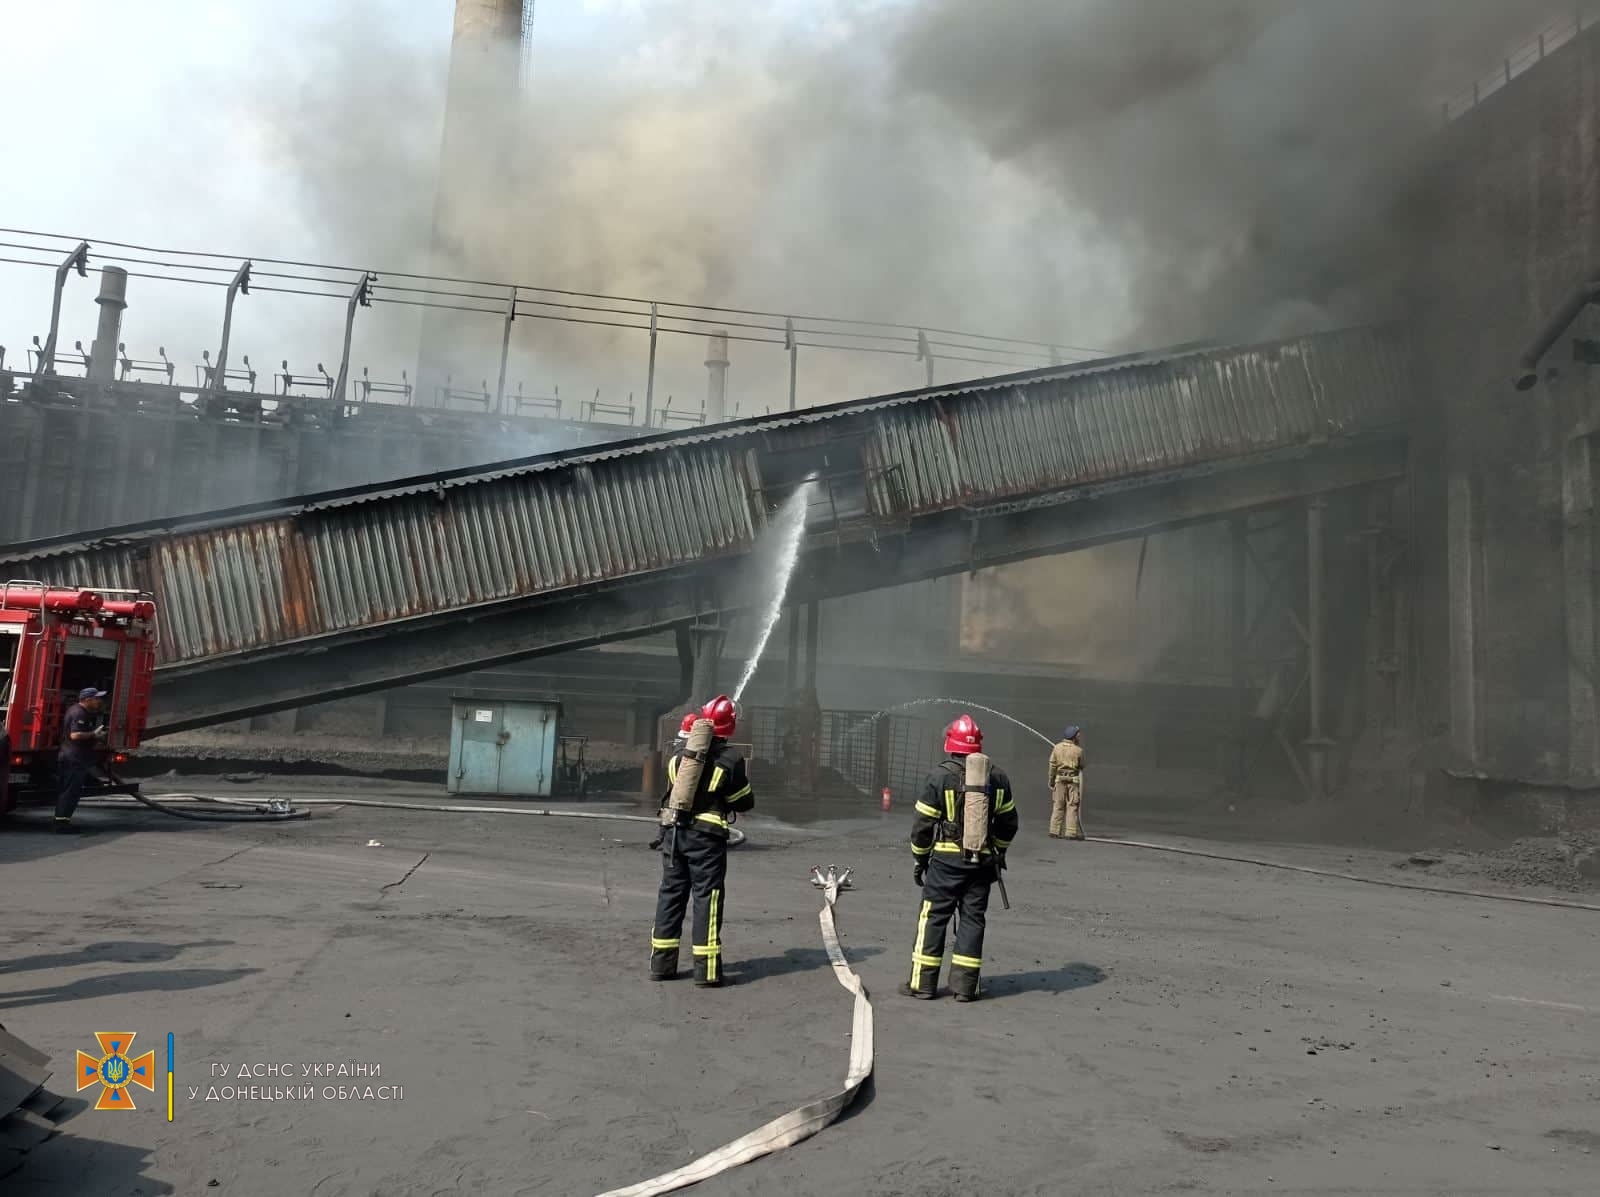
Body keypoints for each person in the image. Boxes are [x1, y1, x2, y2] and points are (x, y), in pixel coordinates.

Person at [900, 713, 1018, 1002]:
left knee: (934, 917)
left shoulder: (939, 777)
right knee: (972, 919)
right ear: (978, 745)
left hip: (944, 863)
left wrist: (920, 859)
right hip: (982, 863)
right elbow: (1008, 824)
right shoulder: (998, 776)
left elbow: (923, 826)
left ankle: (923, 984)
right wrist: (998, 853)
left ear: (949, 744)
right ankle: (965, 988)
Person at [649, 695, 754, 987]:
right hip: (705, 840)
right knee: (707, 898)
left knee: (671, 895)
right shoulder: (731, 760)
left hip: (672, 834)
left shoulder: (679, 755)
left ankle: (661, 965)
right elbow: (743, 801)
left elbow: (674, 790)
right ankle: (706, 971)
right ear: (729, 726)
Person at [56, 686, 107, 834]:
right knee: (69, 792)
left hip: (75, 757)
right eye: (97, 698)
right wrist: (94, 735)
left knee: (71, 791)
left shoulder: (80, 711)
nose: (99, 701)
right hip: (73, 758)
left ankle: (63, 822)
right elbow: (75, 735)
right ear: (88, 699)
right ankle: (61, 824)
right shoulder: (79, 712)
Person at [1048, 725, 1085, 840]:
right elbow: (1082, 766)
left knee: (1058, 804)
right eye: (1078, 734)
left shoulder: (1057, 748)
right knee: (1072, 806)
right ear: (1074, 736)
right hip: (1073, 782)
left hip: (1059, 780)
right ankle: (1070, 832)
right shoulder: (1078, 750)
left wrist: (1051, 781)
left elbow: (1052, 766)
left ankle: (1054, 831)